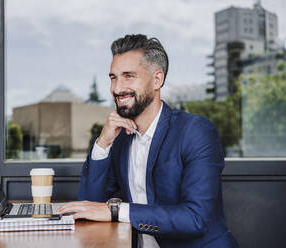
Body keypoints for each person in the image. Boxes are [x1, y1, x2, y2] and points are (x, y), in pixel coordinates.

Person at [58, 34, 238, 247]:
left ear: (157, 80)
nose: (116, 89)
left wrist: (116, 211)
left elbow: (194, 218)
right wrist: (103, 143)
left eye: (128, 76)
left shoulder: (195, 131)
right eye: (113, 77)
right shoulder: (120, 139)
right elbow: (88, 206)